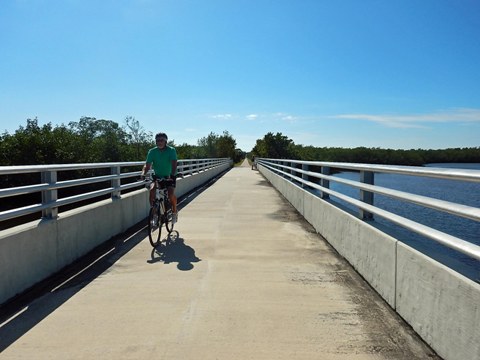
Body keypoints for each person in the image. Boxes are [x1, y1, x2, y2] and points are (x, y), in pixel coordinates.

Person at [142, 132, 178, 224]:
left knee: (170, 195)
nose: (159, 142)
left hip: (169, 175)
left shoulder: (171, 150)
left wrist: (172, 175)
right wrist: (143, 174)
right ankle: (155, 214)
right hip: (157, 175)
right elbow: (147, 165)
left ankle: (174, 211)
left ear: (166, 141)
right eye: (157, 140)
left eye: (161, 140)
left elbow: (174, 163)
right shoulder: (152, 151)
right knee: (152, 190)